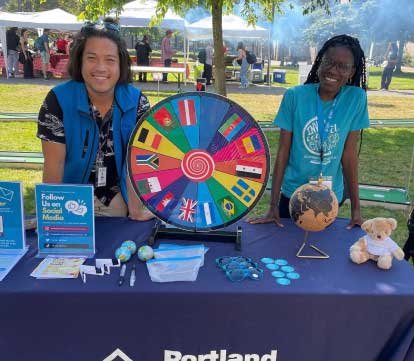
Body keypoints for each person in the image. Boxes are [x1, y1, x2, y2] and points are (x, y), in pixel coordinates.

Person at [36, 18, 154, 221]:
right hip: (69, 201)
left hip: (118, 201)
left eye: (110, 60)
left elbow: (140, 162)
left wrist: (136, 208)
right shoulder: (57, 101)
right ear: (80, 61)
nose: (101, 68)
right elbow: (54, 165)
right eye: (92, 58)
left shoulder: (138, 103)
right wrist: (51, 217)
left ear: (121, 64)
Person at [248, 34, 369, 229]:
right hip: (293, 194)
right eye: (328, 62)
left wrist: (356, 210)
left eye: (342, 66)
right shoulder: (294, 96)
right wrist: (273, 206)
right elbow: (283, 153)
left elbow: (349, 155)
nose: (333, 70)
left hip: (329, 198)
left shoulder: (356, 99)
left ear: (352, 71)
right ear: (319, 62)